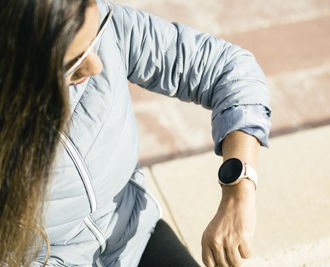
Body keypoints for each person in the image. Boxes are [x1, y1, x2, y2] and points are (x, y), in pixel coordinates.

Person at [0, 0, 271, 266]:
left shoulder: (104, 24)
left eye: (93, 38)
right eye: (74, 61)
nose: (95, 66)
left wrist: (239, 188)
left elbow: (229, 69)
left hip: (137, 236)